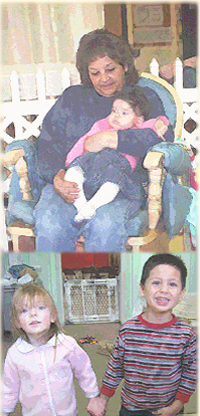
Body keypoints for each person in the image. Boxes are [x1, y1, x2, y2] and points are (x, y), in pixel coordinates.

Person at [7, 28, 173, 252]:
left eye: (110, 69)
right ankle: (54, 284)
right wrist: (57, 176)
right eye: (95, 73)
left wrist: (110, 138)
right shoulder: (72, 98)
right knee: (50, 221)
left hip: (119, 186)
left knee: (105, 226)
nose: (103, 79)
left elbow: (162, 139)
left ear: (124, 65)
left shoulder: (143, 98)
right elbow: (48, 144)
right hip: (72, 182)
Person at [89, 253, 197, 416]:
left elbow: (190, 374)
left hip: (169, 409)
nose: (164, 290)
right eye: (156, 283)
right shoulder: (128, 331)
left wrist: (176, 406)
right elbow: (115, 367)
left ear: (181, 294)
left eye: (172, 284)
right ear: (142, 289)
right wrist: (103, 399)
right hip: (131, 409)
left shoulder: (186, 334)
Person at [2, 283, 102, 416]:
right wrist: (4, 412)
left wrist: (93, 396)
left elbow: (84, 371)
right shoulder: (15, 354)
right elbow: (9, 387)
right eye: (24, 310)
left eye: (41, 308)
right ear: (17, 322)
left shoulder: (67, 344)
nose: (33, 314)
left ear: (53, 316)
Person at [64, 89, 168, 222]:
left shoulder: (138, 128)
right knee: (73, 172)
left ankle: (92, 205)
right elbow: (83, 141)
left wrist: (160, 123)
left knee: (112, 184)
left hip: (117, 167)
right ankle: (81, 205)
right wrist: (71, 161)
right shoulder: (101, 125)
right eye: (114, 111)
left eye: (124, 113)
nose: (117, 116)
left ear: (139, 120)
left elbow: (156, 122)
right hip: (92, 161)